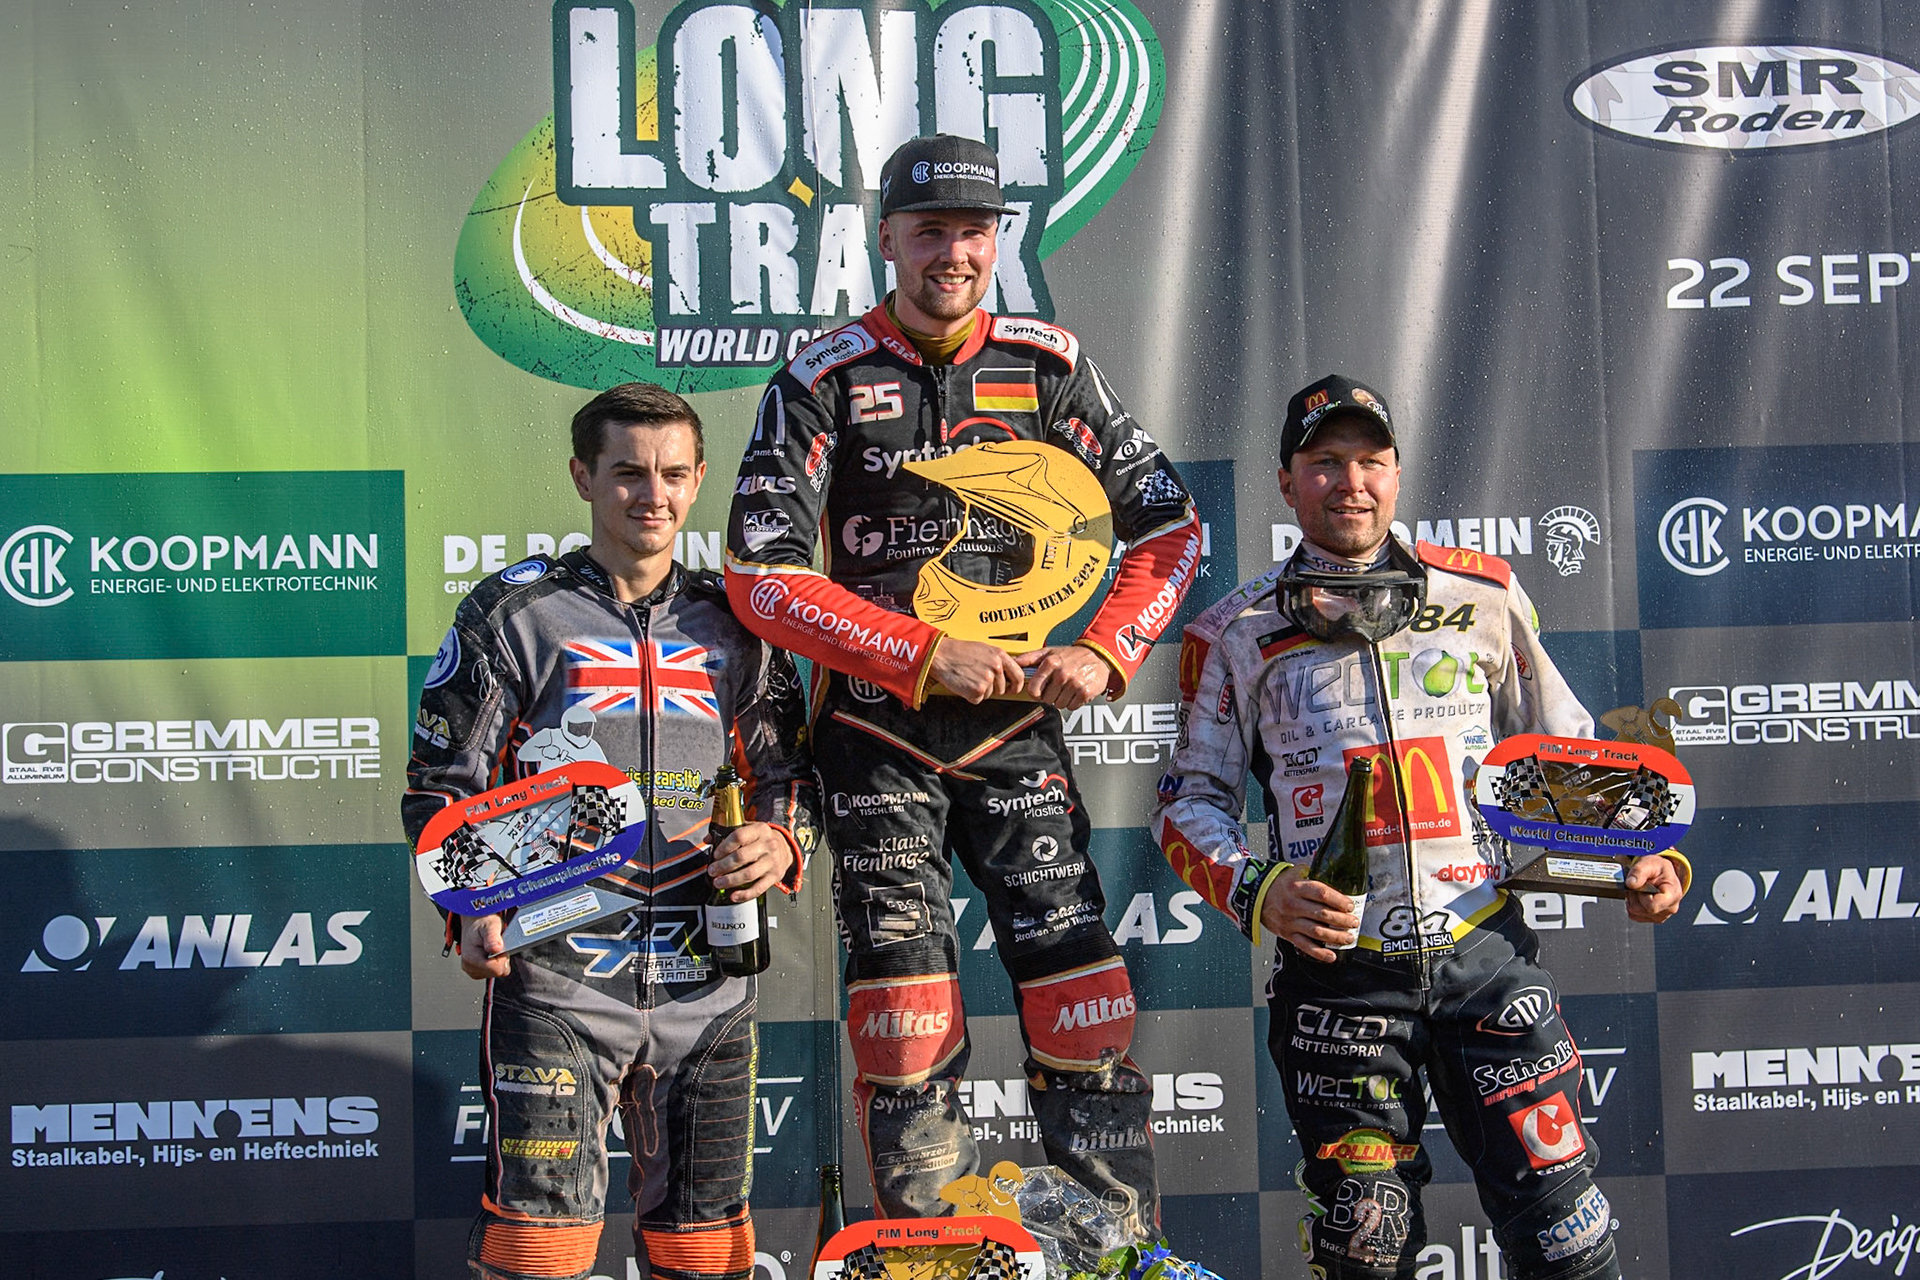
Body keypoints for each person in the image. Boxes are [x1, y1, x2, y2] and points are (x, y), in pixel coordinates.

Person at [723, 134, 1202, 1234]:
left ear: (999, 240)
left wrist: (1109, 649)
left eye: (974, 232)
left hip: (1018, 728)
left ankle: (1110, 1251)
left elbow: (1168, 525)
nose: (952, 253)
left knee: (1083, 1003)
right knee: (906, 1020)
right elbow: (762, 574)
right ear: (885, 238)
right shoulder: (823, 376)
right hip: (877, 734)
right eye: (929, 230)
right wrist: (919, 652)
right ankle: (936, 1252)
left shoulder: (1047, 363)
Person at [1151, 375, 1689, 1280]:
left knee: (1569, 1238)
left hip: (1486, 958)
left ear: (1399, 475)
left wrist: (1645, 853)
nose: (1351, 484)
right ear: (1286, 483)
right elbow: (1186, 801)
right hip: (1340, 982)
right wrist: (1259, 889)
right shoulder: (1235, 632)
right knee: (1367, 1248)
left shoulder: (1482, 592)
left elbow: (1566, 754)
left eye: (1371, 462)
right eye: (1325, 464)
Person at [405, 382, 820, 1280]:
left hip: (708, 974)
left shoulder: (741, 622)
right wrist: (474, 906)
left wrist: (782, 842)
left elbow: (790, 775)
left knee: (705, 1252)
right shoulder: (514, 613)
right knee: (537, 1253)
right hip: (557, 974)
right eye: (628, 472)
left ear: (701, 478)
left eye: (673, 474)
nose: (653, 494)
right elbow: (441, 785)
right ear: (582, 478)